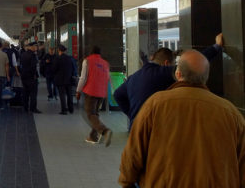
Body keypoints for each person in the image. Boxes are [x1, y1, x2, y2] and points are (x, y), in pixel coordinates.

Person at [118, 49, 245, 188]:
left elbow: (133, 153)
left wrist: (127, 182)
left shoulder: (155, 104)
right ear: (206, 77)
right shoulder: (231, 113)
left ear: (178, 74)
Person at [113, 33, 224, 129]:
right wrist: (217, 46)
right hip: (155, 130)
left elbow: (117, 94)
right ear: (166, 63)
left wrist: (133, 115)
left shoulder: (134, 77)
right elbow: (192, 64)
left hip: (136, 129)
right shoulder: (163, 72)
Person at [76, 46, 112, 146]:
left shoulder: (87, 61)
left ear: (90, 53)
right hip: (102, 92)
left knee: (90, 114)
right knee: (95, 114)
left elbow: (83, 78)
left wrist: (78, 91)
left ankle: (104, 131)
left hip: (91, 91)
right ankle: (93, 136)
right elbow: (108, 78)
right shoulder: (105, 63)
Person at [52, 44, 75, 114]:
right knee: (69, 95)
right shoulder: (70, 58)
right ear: (65, 51)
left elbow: (54, 69)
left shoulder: (57, 58)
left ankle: (64, 110)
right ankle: (71, 109)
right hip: (69, 79)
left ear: (59, 51)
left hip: (60, 80)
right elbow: (74, 68)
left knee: (62, 95)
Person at [20, 41, 41, 113]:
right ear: (32, 47)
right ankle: (33, 108)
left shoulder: (23, 54)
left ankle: (25, 107)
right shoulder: (33, 55)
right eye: (35, 46)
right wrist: (35, 76)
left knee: (25, 93)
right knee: (33, 93)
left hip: (24, 77)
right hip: (31, 78)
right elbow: (33, 67)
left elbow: (21, 65)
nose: (36, 48)